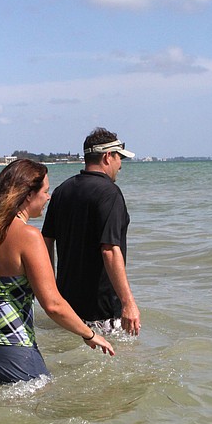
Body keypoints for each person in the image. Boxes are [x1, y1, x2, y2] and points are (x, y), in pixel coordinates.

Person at [0, 158, 115, 386]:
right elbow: (53, 305)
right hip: (11, 350)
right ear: (28, 195)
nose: (48, 197)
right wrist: (89, 334)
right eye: (45, 191)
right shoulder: (29, 237)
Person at [42, 127, 142, 336]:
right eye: (119, 157)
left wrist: (49, 291)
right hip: (102, 310)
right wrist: (128, 303)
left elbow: (46, 241)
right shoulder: (110, 194)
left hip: (67, 310)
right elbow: (110, 250)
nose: (121, 165)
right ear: (107, 157)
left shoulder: (62, 191)